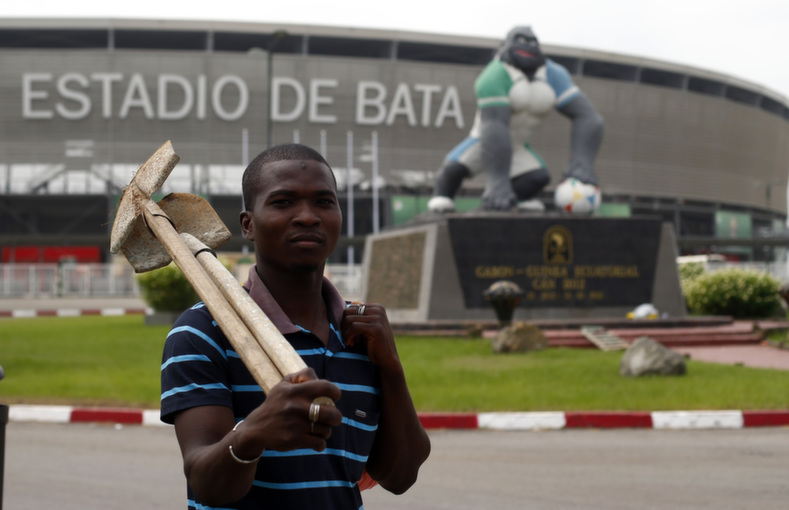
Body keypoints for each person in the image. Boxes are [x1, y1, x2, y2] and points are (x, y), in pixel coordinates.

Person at [160, 143, 431, 509]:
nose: (307, 216)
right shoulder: (202, 331)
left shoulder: (360, 332)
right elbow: (206, 483)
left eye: (324, 202)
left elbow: (400, 477)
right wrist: (253, 434)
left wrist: (391, 368)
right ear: (248, 224)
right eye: (283, 202)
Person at [427, 25, 604, 212]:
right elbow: (494, 126)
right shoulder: (494, 74)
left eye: (532, 42)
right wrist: (498, 184)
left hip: (517, 145)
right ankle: (446, 196)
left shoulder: (553, 74)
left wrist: (582, 165)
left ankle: (514, 200)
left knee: (538, 178)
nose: (527, 46)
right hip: (485, 141)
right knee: (452, 171)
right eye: (520, 41)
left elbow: (589, 118)